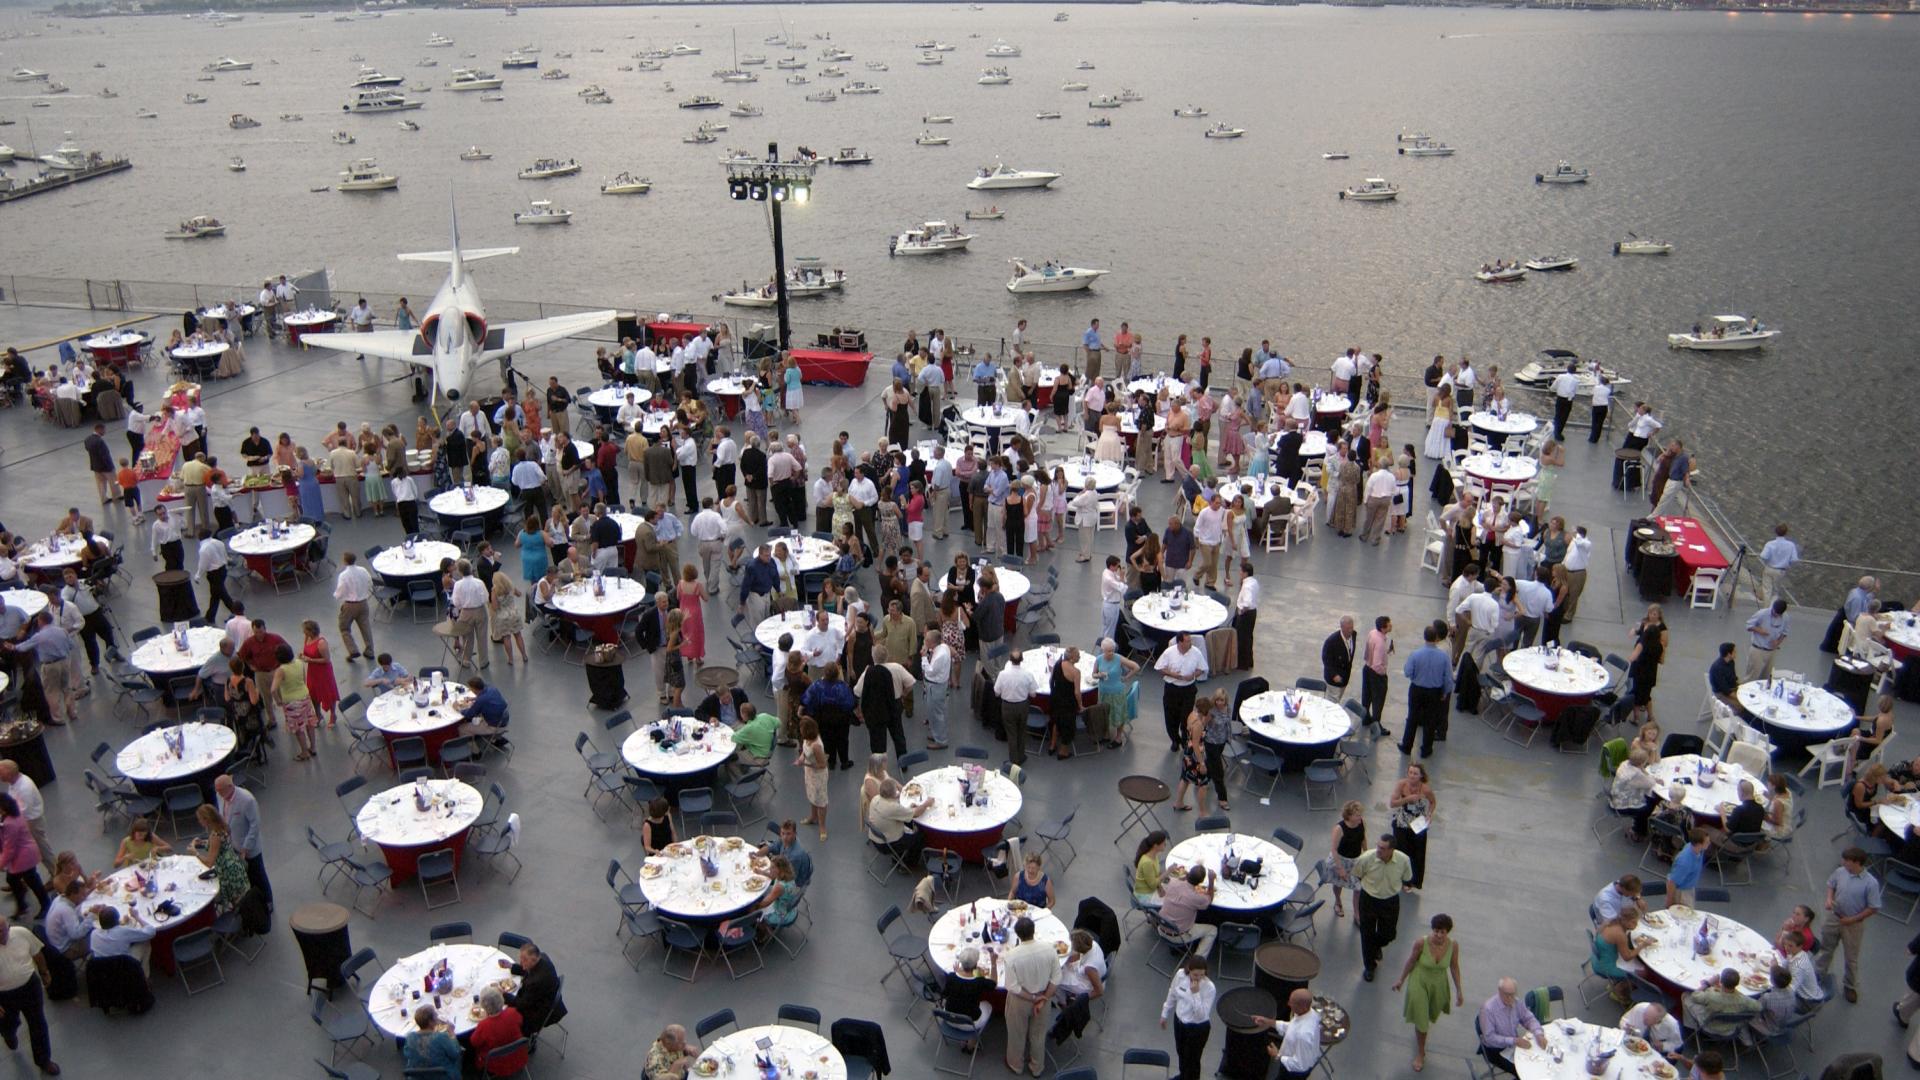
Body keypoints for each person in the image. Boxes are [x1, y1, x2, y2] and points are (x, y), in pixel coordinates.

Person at [1394, 913, 1463, 1073]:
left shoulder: (1453, 946)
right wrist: (1401, 980)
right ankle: (1421, 1053)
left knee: (1429, 1015)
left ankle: (1420, 1036)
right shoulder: (1421, 943)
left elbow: (1454, 966)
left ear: (1448, 933)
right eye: (1436, 931)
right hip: (1419, 981)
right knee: (1422, 1019)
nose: (1439, 935)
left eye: (1442, 932)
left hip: (1438, 983)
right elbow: (1411, 960)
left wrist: (1459, 989)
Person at [1818, 846, 1881, 1003]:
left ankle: (1850, 986)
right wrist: (1828, 899)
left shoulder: (1870, 883)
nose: (1843, 862)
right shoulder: (1841, 872)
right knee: (1826, 948)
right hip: (1835, 916)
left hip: (1853, 924)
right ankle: (1818, 974)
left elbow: (1873, 907)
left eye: (1847, 860)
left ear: (1857, 863)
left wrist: (1852, 919)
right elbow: (1831, 884)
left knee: (1851, 957)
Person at [1002, 915, 1058, 1077]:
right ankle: (1037, 1067)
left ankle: (1016, 1064)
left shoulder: (1012, 956)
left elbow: (1012, 986)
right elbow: (1055, 979)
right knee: (1039, 1035)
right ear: (1034, 931)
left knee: (1016, 1033)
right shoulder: (1049, 950)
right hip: (1043, 997)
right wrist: (1043, 999)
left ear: (1018, 935)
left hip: (1020, 1001)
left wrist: (1034, 999)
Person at [0, 920, 58, 1075]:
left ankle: (44, 1060)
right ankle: (8, 1034)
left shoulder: (21, 933)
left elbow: (37, 953)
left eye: (4, 931)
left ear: (8, 928)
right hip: (4, 995)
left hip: (29, 987)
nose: (2, 935)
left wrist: (44, 972)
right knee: (7, 1023)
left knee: (37, 1023)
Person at [1353, 834, 1413, 981]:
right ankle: (1369, 967)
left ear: (1391, 850)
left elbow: (1407, 878)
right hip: (1368, 900)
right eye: (1378, 846)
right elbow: (1358, 874)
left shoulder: (1403, 860)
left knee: (1389, 934)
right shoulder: (1366, 858)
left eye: (1383, 848)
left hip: (1390, 901)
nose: (1378, 850)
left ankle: (1375, 946)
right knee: (1366, 934)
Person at [214, 775, 271, 911]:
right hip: (233, 844)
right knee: (246, 877)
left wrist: (246, 847)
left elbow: (255, 825)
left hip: (249, 847)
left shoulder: (247, 800)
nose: (219, 794)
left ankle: (268, 902)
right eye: (217, 791)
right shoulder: (221, 796)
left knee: (258, 874)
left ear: (230, 787)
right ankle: (252, 903)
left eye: (220, 790)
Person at [1399, 624, 1454, 758]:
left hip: (1417, 689)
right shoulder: (1443, 656)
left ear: (1424, 637)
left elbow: (1407, 672)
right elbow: (1448, 678)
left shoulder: (1416, 654)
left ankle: (1407, 746)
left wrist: (1416, 677)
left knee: (1412, 718)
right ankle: (1426, 749)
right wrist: (1445, 692)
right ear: (1436, 638)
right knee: (1431, 720)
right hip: (1434, 692)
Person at [1477, 976, 1547, 1076]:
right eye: (1507, 995)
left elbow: (1528, 1018)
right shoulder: (1488, 1009)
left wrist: (1538, 1033)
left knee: (1539, 1059)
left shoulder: (1516, 1002)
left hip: (1513, 1044)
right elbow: (1490, 1038)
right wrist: (1514, 1041)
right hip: (1495, 1050)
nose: (1510, 998)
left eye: (1512, 994)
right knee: (1526, 1072)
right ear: (1499, 991)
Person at [1160, 956, 1217, 1080]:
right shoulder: (1180, 975)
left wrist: (1195, 993)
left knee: (1192, 1060)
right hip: (1180, 1022)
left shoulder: (1209, 988)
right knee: (1181, 1052)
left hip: (1197, 1028)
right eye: (1195, 975)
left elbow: (1201, 1015)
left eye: (1202, 975)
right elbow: (1172, 993)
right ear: (1189, 970)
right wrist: (1165, 1013)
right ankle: (1183, 1076)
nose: (1198, 978)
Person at [1155, 632, 1209, 753]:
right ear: (1180, 642)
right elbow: (1160, 668)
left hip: (1188, 689)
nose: (1190, 643)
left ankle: (1185, 740)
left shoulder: (1196, 652)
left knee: (1186, 717)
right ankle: (1175, 739)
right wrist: (1172, 674)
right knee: (1170, 716)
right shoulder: (1169, 652)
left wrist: (1193, 675)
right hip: (1172, 689)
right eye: (1188, 641)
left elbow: (1201, 668)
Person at [503, 940, 567, 1038]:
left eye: (524, 959)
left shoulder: (537, 981)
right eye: (521, 958)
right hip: (546, 1000)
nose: (521, 962)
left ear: (533, 959)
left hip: (536, 1014)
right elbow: (529, 971)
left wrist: (503, 995)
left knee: (503, 1015)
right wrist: (511, 966)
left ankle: (526, 1041)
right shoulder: (542, 958)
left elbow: (521, 1004)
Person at [1389, 763, 1436, 890]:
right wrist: (1407, 799)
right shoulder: (1401, 785)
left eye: (1415, 773)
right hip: (1403, 818)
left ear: (1421, 776)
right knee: (1400, 849)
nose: (1412, 776)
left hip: (1417, 820)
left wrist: (1429, 815)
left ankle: (1411, 881)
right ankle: (1398, 877)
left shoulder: (1425, 789)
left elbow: (1432, 802)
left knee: (1417, 852)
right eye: (1410, 772)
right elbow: (1392, 803)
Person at [0, 795, 46, 921]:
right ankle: (23, 905)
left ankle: (42, 904)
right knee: (19, 880)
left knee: (31, 881)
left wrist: (1, 864)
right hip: (23, 856)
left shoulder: (10, 823)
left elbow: (9, 848)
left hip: (24, 858)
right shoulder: (13, 815)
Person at [942, 945, 997, 1049]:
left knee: (962, 1003)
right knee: (988, 1005)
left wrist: (956, 972)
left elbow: (944, 994)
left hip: (949, 1017)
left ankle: (964, 1040)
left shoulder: (951, 976)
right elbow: (994, 984)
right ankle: (971, 1042)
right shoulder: (979, 981)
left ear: (961, 963)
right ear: (976, 964)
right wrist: (993, 963)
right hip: (970, 1023)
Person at [1159, 864, 1218, 958]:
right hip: (1178, 935)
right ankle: (1198, 960)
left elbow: (1168, 880)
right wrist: (1211, 881)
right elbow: (1209, 899)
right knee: (1212, 930)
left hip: (1161, 927)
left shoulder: (1173, 883)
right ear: (1201, 881)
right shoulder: (1196, 898)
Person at [1592, 909, 1648, 1006]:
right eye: (1633, 922)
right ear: (1625, 921)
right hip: (1606, 967)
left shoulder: (1610, 923)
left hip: (1599, 958)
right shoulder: (1620, 935)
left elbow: (1598, 932)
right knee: (1643, 972)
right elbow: (1627, 957)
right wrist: (1642, 945)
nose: (1636, 925)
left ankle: (1616, 985)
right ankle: (1618, 991)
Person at [1627, 604, 1668, 726]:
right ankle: (1650, 716)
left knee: (1635, 694)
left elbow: (1633, 657)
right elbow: (1661, 657)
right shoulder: (1659, 646)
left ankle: (1636, 718)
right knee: (1646, 696)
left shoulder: (1642, 643)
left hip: (1638, 671)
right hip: (1650, 673)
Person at [1683, 967, 1762, 1030]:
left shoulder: (1711, 996)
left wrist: (1708, 983)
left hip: (1709, 1026)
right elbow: (1759, 1007)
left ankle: (1690, 1026)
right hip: (1730, 1028)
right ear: (1737, 984)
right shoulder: (1744, 1000)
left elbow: (1694, 995)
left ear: (1721, 981)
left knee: (1686, 995)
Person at [403, 1005, 464, 1079]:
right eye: (435, 1015)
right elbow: (455, 1054)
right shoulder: (441, 1037)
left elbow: (407, 1054)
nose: (437, 1017)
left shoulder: (410, 1037)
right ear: (430, 1022)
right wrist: (452, 1034)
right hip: (443, 1076)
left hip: (418, 1076)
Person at [1744, 598, 1789, 681]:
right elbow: (1748, 626)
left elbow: (1784, 633)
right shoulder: (1762, 614)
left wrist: (1778, 642)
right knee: (1751, 676)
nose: (1776, 616)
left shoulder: (1785, 617)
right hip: (1758, 649)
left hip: (1772, 651)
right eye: (1774, 613)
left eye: (1779, 615)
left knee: (1766, 677)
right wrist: (1759, 630)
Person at [1321, 615, 1357, 701]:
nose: (1350, 631)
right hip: (1334, 680)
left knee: (1338, 698)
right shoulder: (1331, 641)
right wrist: (1334, 675)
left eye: (1351, 628)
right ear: (1341, 627)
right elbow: (1326, 660)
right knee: (1332, 702)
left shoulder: (1353, 635)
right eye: (1348, 628)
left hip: (1345, 677)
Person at [1133, 831, 1169, 908]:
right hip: (1144, 895)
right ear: (1156, 846)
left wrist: (1160, 888)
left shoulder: (1153, 855)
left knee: (1172, 891)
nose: (1165, 845)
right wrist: (1168, 872)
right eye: (1163, 843)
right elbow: (1152, 884)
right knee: (1172, 901)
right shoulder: (1147, 863)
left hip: (1151, 888)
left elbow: (1156, 875)